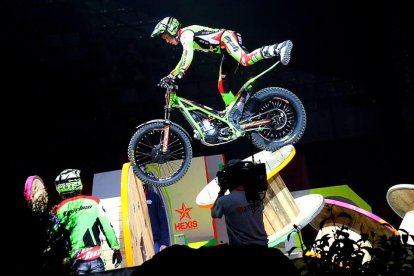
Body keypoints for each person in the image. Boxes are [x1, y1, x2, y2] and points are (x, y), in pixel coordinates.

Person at [151, 17, 293, 111]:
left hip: (227, 38)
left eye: (166, 37)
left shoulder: (185, 34)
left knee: (245, 60)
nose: (166, 40)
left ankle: (278, 48)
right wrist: (170, 75)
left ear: (171, 30)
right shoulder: (185, 37)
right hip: (225, 50)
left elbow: (188, 55)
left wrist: (180, 73)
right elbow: (183, 58)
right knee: (222, 86)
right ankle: (236, 113)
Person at [51, 169, 122, 274]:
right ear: (79, 184)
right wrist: (116, 249)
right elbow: (107, 227)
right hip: (96, 259)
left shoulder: (57, 210)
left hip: (75, 262)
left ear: (60, 188)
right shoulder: (95, 202)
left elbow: (54, 239)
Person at [211, 159, 268, 246]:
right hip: (263, 246)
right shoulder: (257, 196)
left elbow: (214, 214)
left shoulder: (224, 201)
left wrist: (221, 191)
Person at [144, 184, 170, 253]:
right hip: (140, 243)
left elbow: (163, 220)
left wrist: (164, 242)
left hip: (155, 242)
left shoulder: (153, 196)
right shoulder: (132, 199)